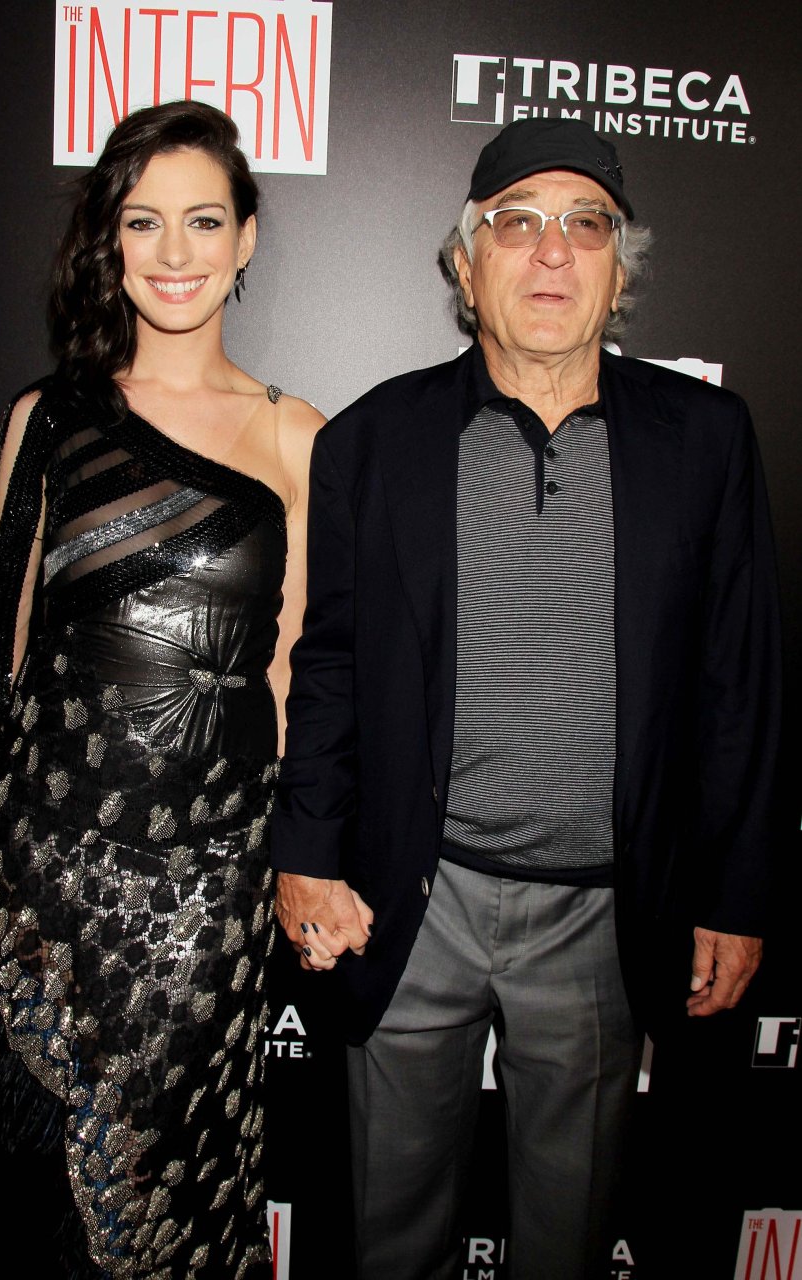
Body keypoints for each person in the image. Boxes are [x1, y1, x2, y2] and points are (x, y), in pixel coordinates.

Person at [271, 118, 781, 1278]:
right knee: (389, 1236)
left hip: (604, 917)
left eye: (584, 224)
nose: (552, 250)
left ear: (617, 269)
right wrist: (305, 853)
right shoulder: (373, 439)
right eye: (517, 223)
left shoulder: (705, 439)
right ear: (467, 265)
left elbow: (739, 681)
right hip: (412, 901)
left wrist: (736, 894)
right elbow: (330, 663)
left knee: (567, 1237)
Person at [0, 100, 322, 1277]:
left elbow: (290, 676)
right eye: (143, 220)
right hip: (45, 886)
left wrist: (291, 867)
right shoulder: (48, 419)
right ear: (111, 238)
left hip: (211, 902)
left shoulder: (299, 438)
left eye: (203, 220)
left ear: (245, 238)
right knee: (35, 1222)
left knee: (180, 1213)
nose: (173, 252)